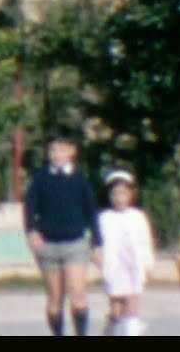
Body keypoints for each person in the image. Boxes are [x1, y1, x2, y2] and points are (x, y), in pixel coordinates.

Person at [23, 138, 100, 336]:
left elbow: (91, 211)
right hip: (48, 245)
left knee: (77, 294)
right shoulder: (41, 179)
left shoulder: (80, 179)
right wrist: (31, 231)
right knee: (55, 298)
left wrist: (97, 242)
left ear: (71, 152)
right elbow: (30, 207)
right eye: (52, 151)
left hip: (75, 243)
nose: (56, 155)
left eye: (61, 150)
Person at [95, 171, 156, 336]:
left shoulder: (138, 216)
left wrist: (148, 264)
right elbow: (98, 243)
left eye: (123, 193)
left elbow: (145, 241)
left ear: (130, 195)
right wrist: (99, 259)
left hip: (133, 266)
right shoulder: (104, 218)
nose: (119, 198)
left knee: (132, 304)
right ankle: (111, 329)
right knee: (116, 309)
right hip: (114, 267)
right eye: (115, 194)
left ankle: (132, 330)